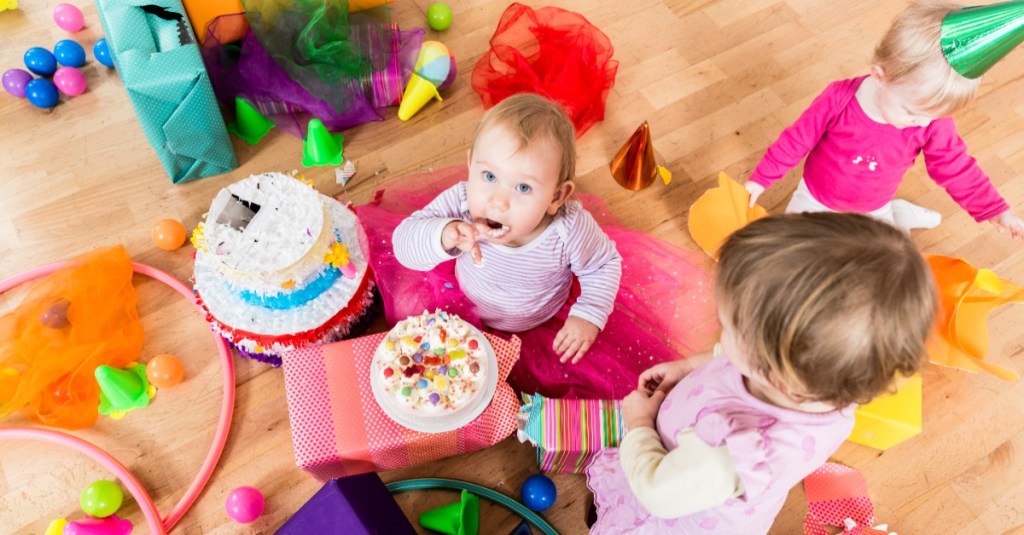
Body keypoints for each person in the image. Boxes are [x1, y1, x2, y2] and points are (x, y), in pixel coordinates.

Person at [586, 212, 938, 533]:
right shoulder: (823, 382)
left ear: (775, 375)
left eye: (729, 327)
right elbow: (730, 356)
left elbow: (657, 492)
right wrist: (688, 367)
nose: (721, 332)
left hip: (675, 509)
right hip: (683, 466)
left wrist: (639, 426)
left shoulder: (735, 449)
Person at [357, 93, 718, 398]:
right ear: (470, 166)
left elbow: (603, 264)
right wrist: (444, 233)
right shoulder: (462, 203)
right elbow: (405, 243)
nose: (498, 201)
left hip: (539, 319)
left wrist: (588, 315)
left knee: (566, 374)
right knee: (408, 309)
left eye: (524, 188)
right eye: (488, 176)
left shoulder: (568, 228)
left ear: (556, 196)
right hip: (462, 304)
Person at [745, 1, 1024, 239]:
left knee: (884, 261)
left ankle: (897, 214)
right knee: (790, 248)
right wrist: (760, 180)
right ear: (880, 77)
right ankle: (897, 214)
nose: (923, 123)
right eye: (912, 112)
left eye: (933, 116)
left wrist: (995, 210)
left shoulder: (929, 119)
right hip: (815, 198)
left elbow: (956, 167)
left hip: (873, 207)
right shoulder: (839, 98)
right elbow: (796, 140)